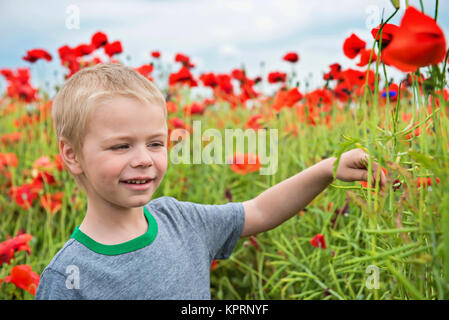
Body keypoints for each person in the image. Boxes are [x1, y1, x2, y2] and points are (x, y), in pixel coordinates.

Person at [35, 63, 386, 300]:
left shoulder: (181, 221)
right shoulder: (68, 277)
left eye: (155, 143)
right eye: (121, 145)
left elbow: (259, 211)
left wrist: (326, 169)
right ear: (72, 155)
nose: (143, 158)